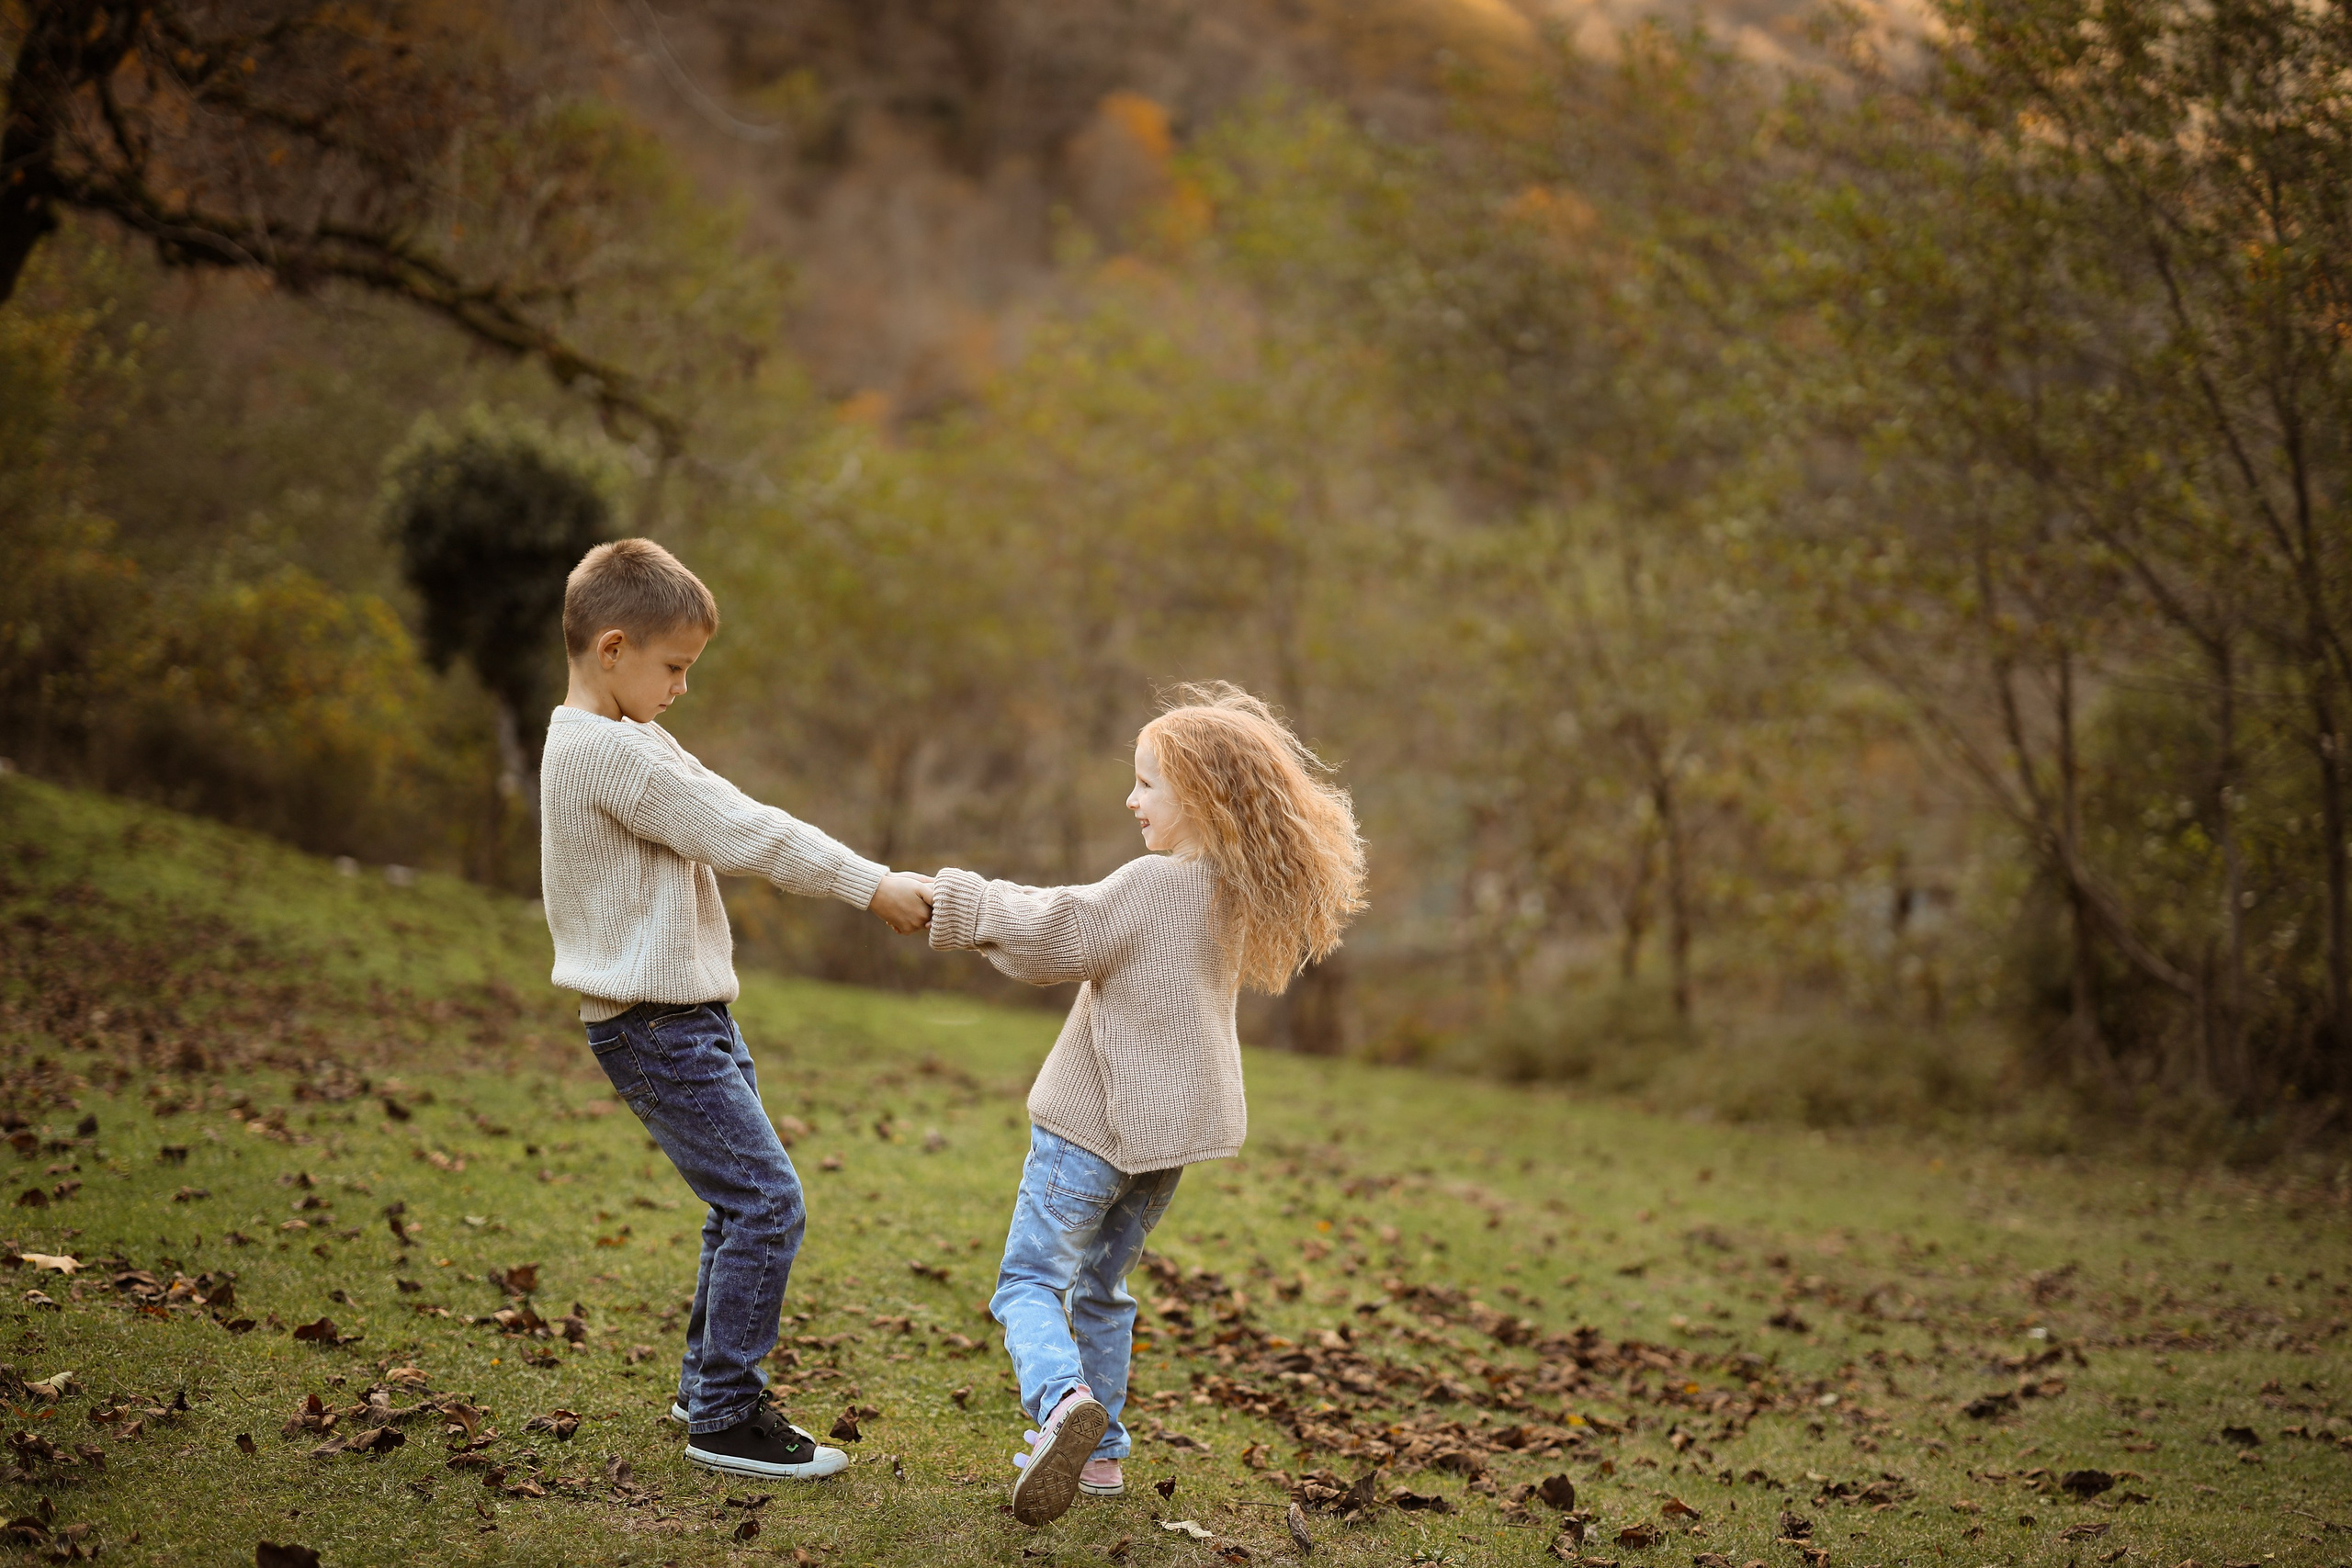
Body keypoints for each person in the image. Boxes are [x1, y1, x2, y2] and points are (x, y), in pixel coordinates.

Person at [540, 537, 934, 1481]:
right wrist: (868, 884)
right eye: (672, 667)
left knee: (736, 1205)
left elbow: (723, 800)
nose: (680, 687)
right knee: (767, 1203)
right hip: (653, 1024)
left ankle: (703, 1386)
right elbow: (742, 832)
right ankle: (723, 1414)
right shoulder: (605, 754)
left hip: (686, 1016)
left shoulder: (625, 738)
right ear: (612, 649)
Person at [926, 682, 1366, 1526]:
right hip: (1166, 1143)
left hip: (1091, 1128)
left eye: (1146, 783)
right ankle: (1101, 1457)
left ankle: (1061, 1404)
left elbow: (1057, 930)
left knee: (1027, 1282)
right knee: (1102, 1286)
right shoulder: (1233, 891)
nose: (1131, 799)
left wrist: (956, 902)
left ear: (1198, 794)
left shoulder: (1154, 885)